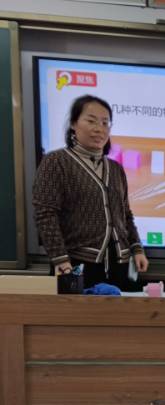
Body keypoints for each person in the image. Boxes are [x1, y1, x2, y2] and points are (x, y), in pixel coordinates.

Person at [33, 94, 148, 289]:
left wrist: (137, 249)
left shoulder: (115, 168)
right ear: (73, 124)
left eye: (105, 123)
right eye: (91, 121)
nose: (99, 129)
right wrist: (60, 259)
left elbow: (125, 214)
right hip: (76, 265)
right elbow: (45, 214)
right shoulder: (56, 161)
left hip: (120, 265)